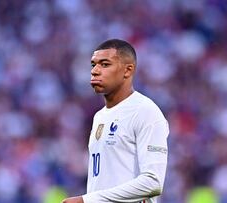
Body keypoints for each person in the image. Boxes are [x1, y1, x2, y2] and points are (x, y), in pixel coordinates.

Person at [62, 39, 169, 203]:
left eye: (105, 64)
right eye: (93, 65)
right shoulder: (100, 116)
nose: (95, 71)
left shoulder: (145, 111)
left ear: (128, 70)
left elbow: (153, 182)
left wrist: (87, 200)